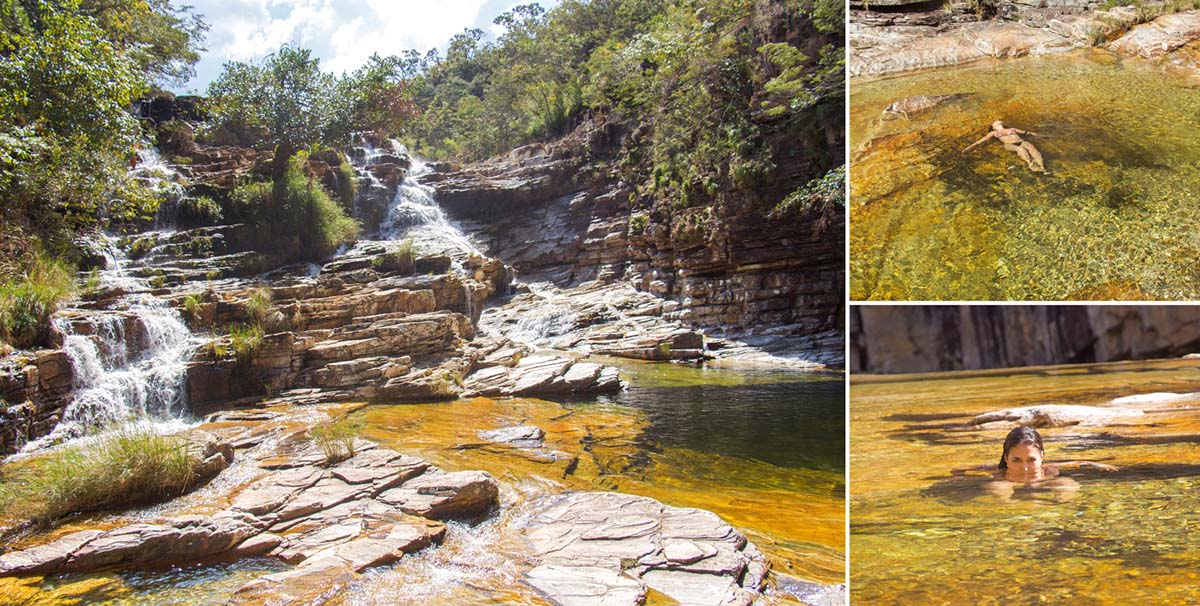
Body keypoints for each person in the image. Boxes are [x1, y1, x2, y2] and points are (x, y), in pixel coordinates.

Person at [953, 426, 1118, 500]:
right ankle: (1007, 511)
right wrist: (958, 480)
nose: (1024, 467)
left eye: (1031, 460)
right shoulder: (998, 471)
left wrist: (1098, 465)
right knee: (999, 487)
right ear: (1005, 458)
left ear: (1042, 456)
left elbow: (1078, 462)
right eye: (1016, 460)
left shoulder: (1048, 469)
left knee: (1066, 483)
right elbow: (958, 469)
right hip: (1008, 485)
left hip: (1041, 485)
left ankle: (1062, 509)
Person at [963, 120, 1046, 173]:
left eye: (998, 121)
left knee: (1033, 150)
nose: (997, 121)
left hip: (1021, 141)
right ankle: (1031, 165)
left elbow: (1026, 132)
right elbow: (981, 141)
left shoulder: (1012, 129)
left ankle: (1043, 168)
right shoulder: (994, 133)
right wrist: (969, 147)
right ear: (993, 127)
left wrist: (1039, 135)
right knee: (1020, 149)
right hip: (1009, 145)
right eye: (995, 122)